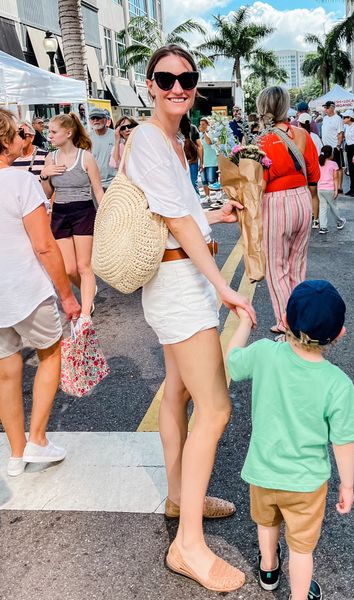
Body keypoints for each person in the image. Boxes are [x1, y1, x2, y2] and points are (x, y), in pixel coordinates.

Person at [125, 44, 256, 592]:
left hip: (181, 279)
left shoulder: (173, 141)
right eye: (166, 78)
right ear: (150, 83)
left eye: (186, 78)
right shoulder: (149, 139)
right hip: (180, 286)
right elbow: (176, 224)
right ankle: (189, 545)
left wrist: (214, 214)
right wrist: (225, 285)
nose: (177, 86)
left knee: (178, 390)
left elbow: (179, 213)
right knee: (217, 407)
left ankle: (181, 497)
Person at [226, 280, 354, 600]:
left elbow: (233, 362)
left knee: (267, 523)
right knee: (302, 547)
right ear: (339, 334)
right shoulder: (338, 384)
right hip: (306, 483)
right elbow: (343, 441)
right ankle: (299, 596)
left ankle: (269, 570)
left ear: (285, 322)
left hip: (262, 471)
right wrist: (347, 485)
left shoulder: (264, 353)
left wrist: (245, 321)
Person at [0, 108, 81, 477]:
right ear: (4, 140)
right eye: (18, 132)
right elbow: (45, 246)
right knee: (50, 355)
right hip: (27, 290)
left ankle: (16, 453)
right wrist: (67, 295)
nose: (24, 137)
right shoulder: (21, 182)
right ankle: (38, 439)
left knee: (6, 372)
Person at [257, 86, 320, 334]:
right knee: (297, 266)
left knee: (276, 268)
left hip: (275, 202)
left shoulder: (263, 140)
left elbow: (259, 181)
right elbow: (313, 173)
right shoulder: (302, 134)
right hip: (302, 198)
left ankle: (287, 322)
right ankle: (299, 318)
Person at [40, 113, 104, 318]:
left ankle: (85, 313)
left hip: (83, 211)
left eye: (53, 131)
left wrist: (107, 216)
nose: (49, 135)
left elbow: (98, 190)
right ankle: (88, 290)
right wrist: (44, 175)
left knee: (83, 266)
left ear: (68, 133)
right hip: (59, 212)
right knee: (69, 269)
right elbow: (48, 193)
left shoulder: (85, 157)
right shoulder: (51, 158)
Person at [297, 113, 322, 229]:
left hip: (302, 171)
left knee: (302, 196)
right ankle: (316, 220)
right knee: (314, 195)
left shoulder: (298, 136)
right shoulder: (316, 137)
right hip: (314, 169)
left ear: (299, 123)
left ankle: (305, 219)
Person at [317, 145, 346, 235]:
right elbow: (335, 178)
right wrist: (336, 190)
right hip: (329, 189)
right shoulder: (333, 164)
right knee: (333, 206)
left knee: (322, 208)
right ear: (330, 154)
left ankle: (323, 227)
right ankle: (339, 221)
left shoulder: (318, 163)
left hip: (320, 188)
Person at [89, 108, 116, 190]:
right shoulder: (87, 138)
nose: (95, 120)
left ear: (106, 120)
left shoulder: (115, 136)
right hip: (94, 183)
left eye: (98, 117)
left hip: (113, 183)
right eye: (93, 118)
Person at [321, 101, 344, 193]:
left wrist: (338, 145)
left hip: (334, 146)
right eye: (325, 108)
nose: (325, 110)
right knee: (327, 166)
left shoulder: (338, 119)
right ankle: (331, 184)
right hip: (326, 146)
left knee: (338, 167)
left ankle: (339, 186)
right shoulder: (325, 118)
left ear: (332, 107)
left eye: (326, 108)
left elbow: (340, 133)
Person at [180, 116, 203, 197]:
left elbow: (200, 146)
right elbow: (200, 146)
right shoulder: (193, 128)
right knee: (193, 183)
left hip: (183, 162)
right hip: (192, 160)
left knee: (184, 185)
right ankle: (197, 205)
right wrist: (201, 163)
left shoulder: (173, 129)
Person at [198, 117, 219, 204]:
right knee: (204, 181)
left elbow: (209, 142)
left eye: (203, 124)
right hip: (203, 162)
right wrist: (200, 162)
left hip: (212, 162)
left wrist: (204, 132)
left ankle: (218, 197)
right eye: (200, 124)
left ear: (208, 125)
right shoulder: (199, 135)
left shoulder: (213, 134)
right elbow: (199, 148)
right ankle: (207, 197)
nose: (201, 126)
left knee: (212, 180)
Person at [341, 110, 354, 197]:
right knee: (350, 170)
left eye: (345, 117)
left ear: (349, 118)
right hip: (349, 147)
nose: (343, 119)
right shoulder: (347, 126)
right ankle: (352, 188)